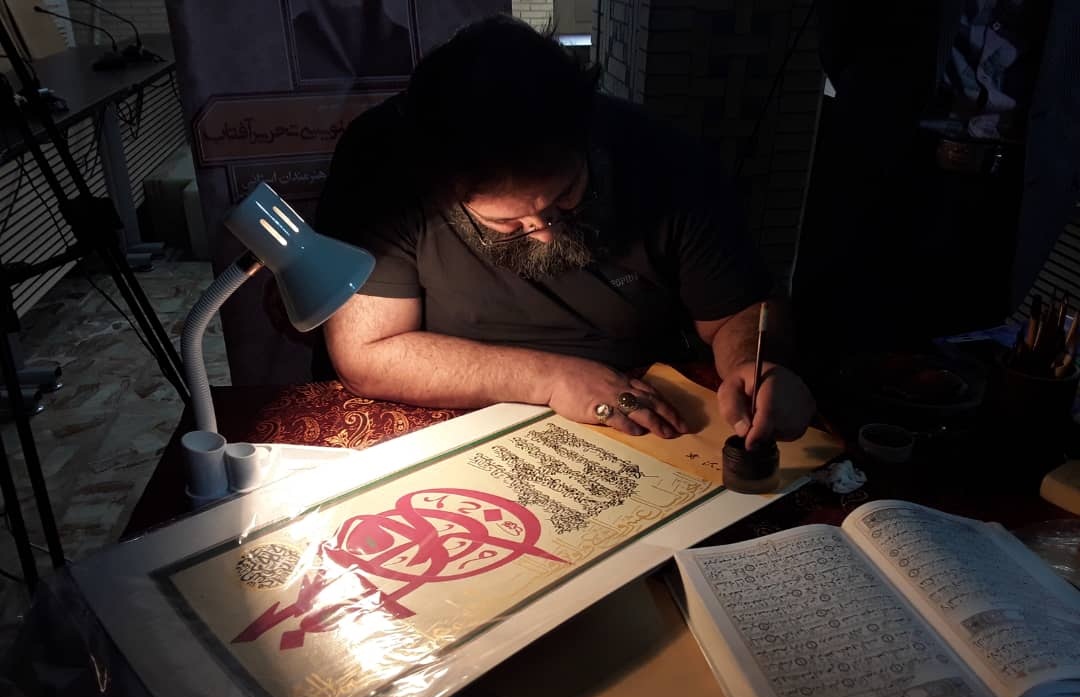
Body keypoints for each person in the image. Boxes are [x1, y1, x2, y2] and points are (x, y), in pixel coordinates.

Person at [315, 15, 815, 449]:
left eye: (567, 198)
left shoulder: (665, 159)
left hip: (639, 398)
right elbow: (367, 354)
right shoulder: (384, 166)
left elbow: (738, 312)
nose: (546, 234)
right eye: (507, 224)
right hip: (452, 407)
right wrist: (549, 378)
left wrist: (754, 364)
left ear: (586, 139)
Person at [793, 0, 1078, 367]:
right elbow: (839, 29)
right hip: (887, 164)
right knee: (840, 347)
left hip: (1011, 196)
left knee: (965, 364)